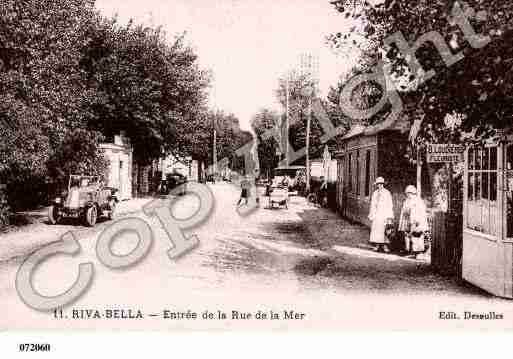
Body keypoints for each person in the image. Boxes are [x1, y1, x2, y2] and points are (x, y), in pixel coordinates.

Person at [398, 185, 429, 257]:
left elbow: (416, 212)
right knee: (408, 235)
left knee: (416, 236)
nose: (408, 195)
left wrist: (415, 222)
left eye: (409, 193)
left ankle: (417, 252)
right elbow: (404, 210)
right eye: (407, 194)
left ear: (413, 193)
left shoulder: (417, 201)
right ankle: (409, 250)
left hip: (416, 221)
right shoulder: (407, 201)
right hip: (408, 220)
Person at [368, 177, 394, 252]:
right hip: (377, 214)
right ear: (376, 185)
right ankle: (377, 245)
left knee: (385, 230)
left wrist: (389, 216)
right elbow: (372, 204)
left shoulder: (387, 193)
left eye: (381, 184)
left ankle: (385, 246)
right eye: (378, 184)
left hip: (384, 214)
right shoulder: (375, 193)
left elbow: (390, 205)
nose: (380, 185)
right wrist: (372, 214)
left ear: (383, 184)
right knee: (376, 230)